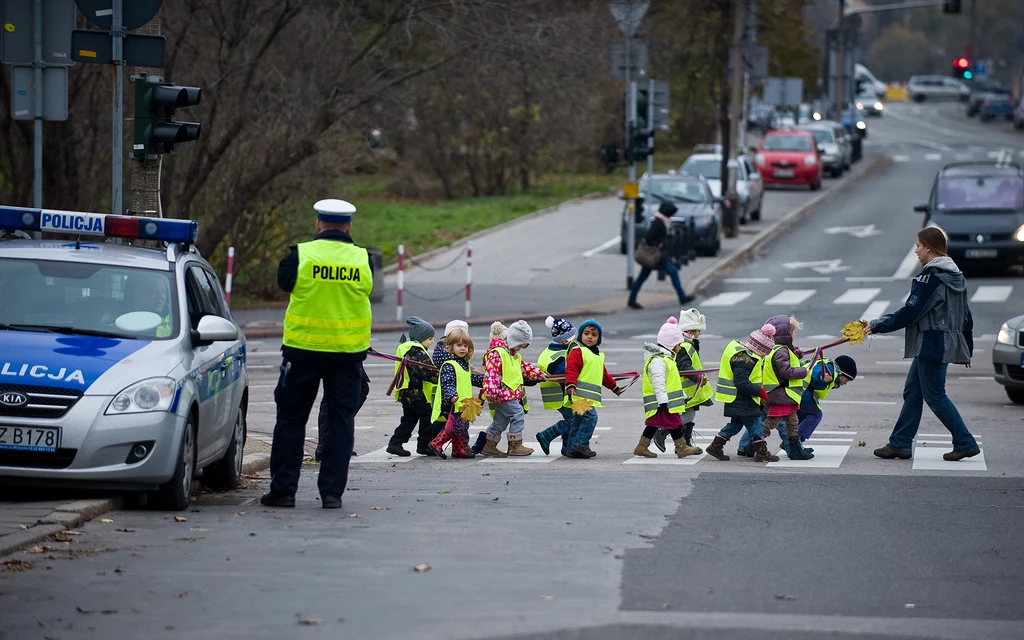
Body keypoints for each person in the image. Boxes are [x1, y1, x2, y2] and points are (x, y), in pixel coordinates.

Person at [261, 199, 373, 509]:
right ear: (349, 226)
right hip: (346, 356)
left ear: (318, 225)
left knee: (290, 421)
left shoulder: (300, 255)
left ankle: (283, 491)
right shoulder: (363, 259)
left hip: (302, 354)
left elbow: (284, 284)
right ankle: (332, 494)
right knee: (340, 423)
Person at [868, 227, 980, 462]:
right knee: (913, 391)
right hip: (943, 342)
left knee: (936, 396)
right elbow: (966, 316)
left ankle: (965, 442)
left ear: (929, 248)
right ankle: (900, 443)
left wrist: (878, 325)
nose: (916, 250)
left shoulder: (931, 278)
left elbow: (911, 311)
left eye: (918, 245)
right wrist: (966, 346)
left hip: (931, 343)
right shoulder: (956, 276)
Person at [705, 323, 778, 463]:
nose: (764, 356)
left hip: (736, 398)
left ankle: (716, 446)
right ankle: (761, 451)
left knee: (736, 424)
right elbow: (742, 383)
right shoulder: (745, 360)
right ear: (759, 349)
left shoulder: (742, 352)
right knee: (756, 423)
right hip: (743, 399)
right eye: (764, 352)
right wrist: (759, 391)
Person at [480, 320, 545, 457]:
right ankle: (515, 445)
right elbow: (491, 374)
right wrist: (493, 393)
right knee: (517, 413)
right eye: (520, 345)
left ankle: (489, 445)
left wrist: (538, 374)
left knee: (501, 420)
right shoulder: (497, 353)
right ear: (513, 340)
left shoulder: (511, 354)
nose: (520, 349)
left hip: (506, 394)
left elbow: (523, 368)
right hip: (502, 394)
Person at [634, 317, 697, 458]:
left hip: (665, 401)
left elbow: (672, 383)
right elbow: (658, 383)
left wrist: (683, 396)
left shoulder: (667, 360)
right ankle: (681, 448)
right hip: (661, 402)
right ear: (671, 344)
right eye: (678, 344)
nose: (680, 348)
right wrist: (662, 401)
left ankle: (641, 446)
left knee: (653, 423)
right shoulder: (658, 361)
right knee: (674, 423)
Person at [752, 314, 812, 461]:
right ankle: (756, 444)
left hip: (784, 395)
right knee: (771, 423)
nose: (794, 335)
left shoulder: (779, 349)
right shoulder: (781, 350)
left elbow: (784, 363)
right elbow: (785, 371)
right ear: (786, 334)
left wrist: (795, 354)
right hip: (781, 394)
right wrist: (804, 372)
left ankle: (795, 449)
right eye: (793, 332)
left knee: (793, 422)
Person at [563, 319, 625, 458]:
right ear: (580, 336)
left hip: (585, 397)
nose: (590, 337)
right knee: (591, 418)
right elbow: (571, 369)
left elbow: (604, 375)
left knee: (578, 421)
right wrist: (571, 384)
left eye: (594, 335)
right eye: (586, 333)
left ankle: (571, 448)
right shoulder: (578, 351)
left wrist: (614, 387)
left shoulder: (596, 355)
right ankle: (581, 445)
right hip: (579, 395)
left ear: (598, 339)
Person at [653, 308, 708, 455]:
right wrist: (698, 377)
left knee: (690, 417)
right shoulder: (684, 346)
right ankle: (662, 431)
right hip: (683, 389)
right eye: (698, 331)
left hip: (689, 390)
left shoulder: (687, 344)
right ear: (691, 331)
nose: (699, 334)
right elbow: (684, 367)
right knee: (687, 416)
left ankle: (685, 444)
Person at [627, 201, 696, 310]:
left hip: (654, 255)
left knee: (643, 277)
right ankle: (682, 297)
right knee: (672, 271)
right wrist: (657, 246)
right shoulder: (658, 222)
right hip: (655, 255)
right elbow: (650, 237)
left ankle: (631, 300)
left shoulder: (660, 220)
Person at [386, 317, 440, 457]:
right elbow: (427, 372)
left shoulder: (409, 350)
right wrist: (440, 375)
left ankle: (395, 443)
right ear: (420, 338)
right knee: (427, 416)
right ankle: (424, 444)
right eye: (429, 339)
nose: (432, 341)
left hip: (407, 393)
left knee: (409, 419)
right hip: (416, 393)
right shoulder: (417, 352)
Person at [427, 328, 479, 459]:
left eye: (465, 346)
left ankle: (458, 449)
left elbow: (470, 378)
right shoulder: (450, 365)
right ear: (450, 347)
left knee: (463, 426)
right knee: (455, 427)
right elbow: (447, 382)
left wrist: (485, 379)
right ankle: (436, 443)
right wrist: (452, 395)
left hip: (464, 403)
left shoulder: (464, 364)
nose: (463, 349)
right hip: (454, 402)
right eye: (459, 345)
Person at [535, 316, 578, 456]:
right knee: (574, 420)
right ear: (564, 340)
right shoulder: (553, 357)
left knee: (571, 418)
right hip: (558, 395)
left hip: (564, 394)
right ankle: (546, 435)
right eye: (574, 338)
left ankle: (567, 447)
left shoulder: (559, 350)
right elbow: (566, 371)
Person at [793, 355, 857, 446]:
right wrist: (822, 376)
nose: (846, 383)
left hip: (797, 392)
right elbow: (817, 372)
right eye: (848, 379)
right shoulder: (830, 368)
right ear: (843, 373)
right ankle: (795, 441)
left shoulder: (828, 366)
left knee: (802, 417)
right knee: (816, 415)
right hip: (803, 394)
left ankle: (791, 442)